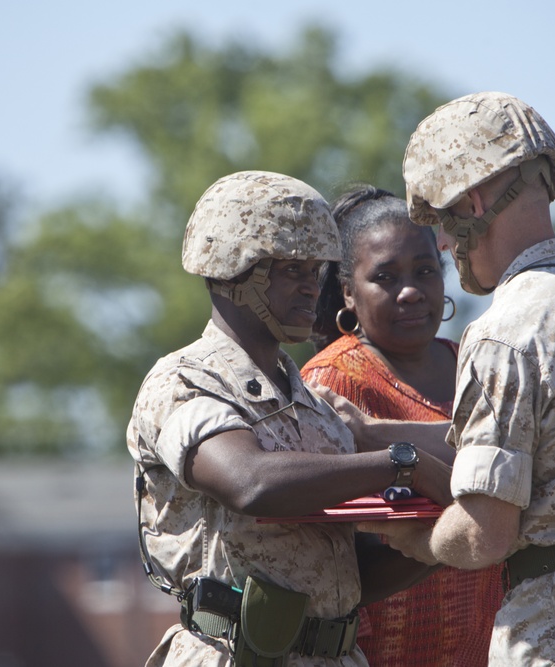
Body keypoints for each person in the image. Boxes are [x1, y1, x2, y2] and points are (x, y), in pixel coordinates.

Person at [127, 170, 454, 667]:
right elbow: (249, 482)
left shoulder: (311, 403)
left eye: (315, 271)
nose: (310, 288)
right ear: (230, 270)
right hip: (235, 654)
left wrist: (439, 542)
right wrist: (400, 464)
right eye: (289, 271)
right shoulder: (184, 381)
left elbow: (345, 576)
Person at [327, 92, 555, 666]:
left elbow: (484, 534)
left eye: (438, 223)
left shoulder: (502, 330)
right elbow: (545, 439)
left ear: (473, 202)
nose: (444, 245)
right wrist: (377, 433)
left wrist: (417, 540)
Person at [301, 184, 505, 666]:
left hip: (488, 646)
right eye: (386, 277)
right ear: (349, 292)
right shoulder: (333, 381)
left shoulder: (475, 365)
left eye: (425, 271)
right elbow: (342, 561)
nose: (411, 290)